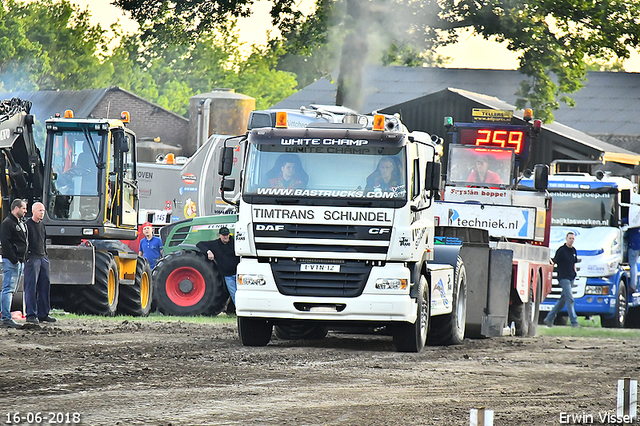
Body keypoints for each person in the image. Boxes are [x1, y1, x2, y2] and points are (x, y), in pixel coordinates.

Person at [24, 202, 55, 324]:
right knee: (31, 287)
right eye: (40, 210)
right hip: (32, 258)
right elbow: (25, 242)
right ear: (34, 211)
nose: (42, 213)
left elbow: (43, 240)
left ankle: (43, 314)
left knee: (44, 285)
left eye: (43, 210)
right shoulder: (28, 225)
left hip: (43, 258)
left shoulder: (42, 225)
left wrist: (45, 255)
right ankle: (31, 314)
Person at [1, 199, 28, 328]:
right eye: (23, 208)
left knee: (12, 290)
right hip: (12, 261)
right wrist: (14, 259)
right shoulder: (8, 223)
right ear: (16, 208)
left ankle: (7, 316)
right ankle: (6, 317)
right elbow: (5, 243)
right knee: (8, 289)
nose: (25, 211)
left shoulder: (20, 223)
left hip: (19, 261)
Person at [544, 232, 580, 328]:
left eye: (573, 239)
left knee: (562, 301)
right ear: (566, 239)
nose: (571, 240)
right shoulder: (561, 250)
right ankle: (574, 322)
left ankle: (549, 318)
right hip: (563, 278)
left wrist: (575, 274)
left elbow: (574, 264)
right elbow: (554, 261)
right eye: (570, 238)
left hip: (571, 277)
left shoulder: (573, 251)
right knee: (570, 299)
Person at [196, 227, 239, 305]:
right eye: (223, 235)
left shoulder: (236, 243)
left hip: (238, 274)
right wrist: (208, 252)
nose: (226, 237)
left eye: (227, 235)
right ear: (219, 235)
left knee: (241, 294)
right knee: (234, 294)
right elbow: (199, 244)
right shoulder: (215, 244)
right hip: (228, 276)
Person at [628, 227, 640, 293]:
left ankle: (633, 285)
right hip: (638, 244)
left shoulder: (634, 219)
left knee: (633, 265)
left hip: (634, 245)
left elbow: (629, 220)